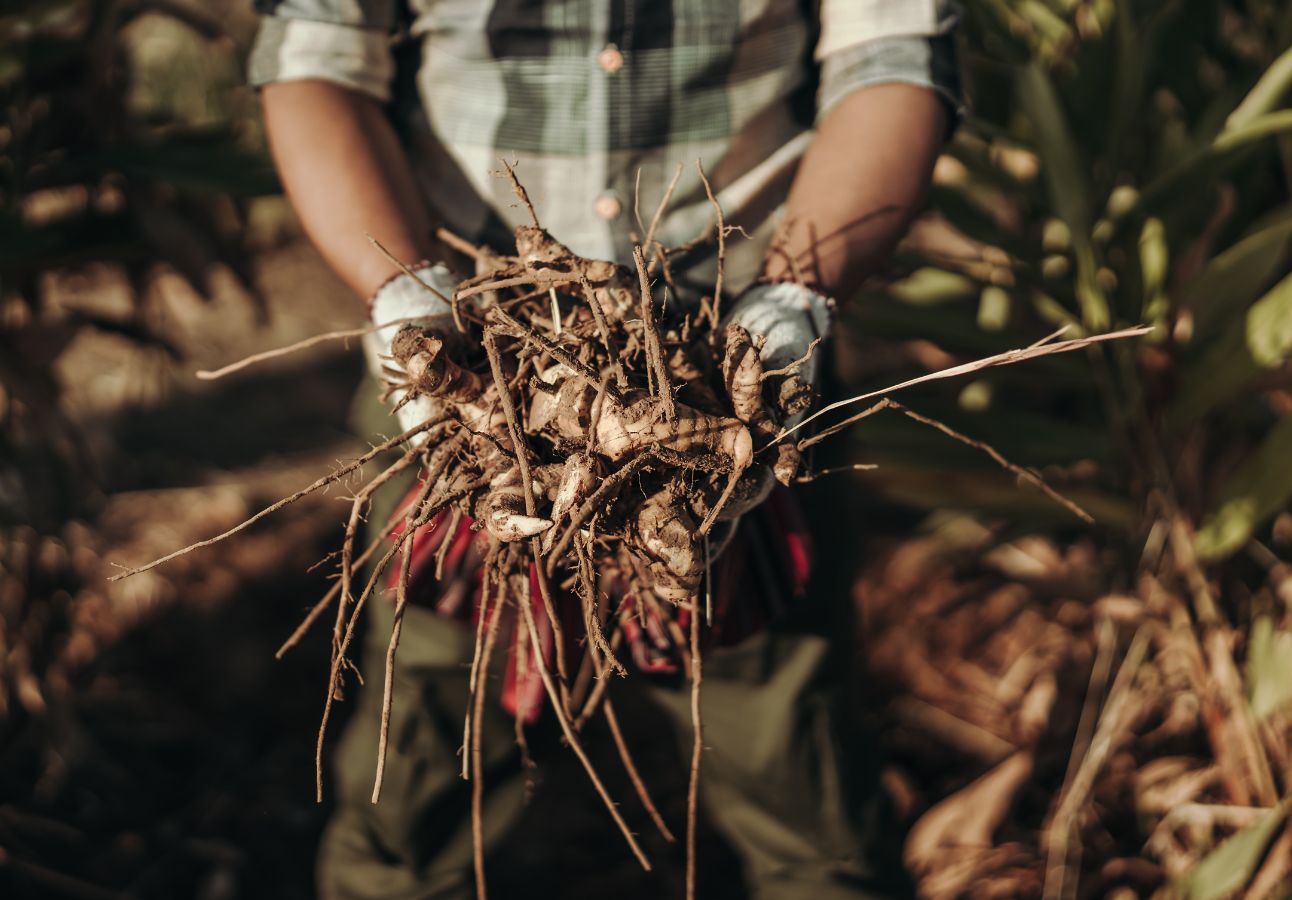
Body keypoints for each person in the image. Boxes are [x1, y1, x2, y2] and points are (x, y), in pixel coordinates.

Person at [248, 1, 961, 897]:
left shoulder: (753, 369)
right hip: (467, 386)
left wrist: (794, 302)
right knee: (418, 780)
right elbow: (319, 64)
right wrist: (406, 293)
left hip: (744, 366)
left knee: (808, 802)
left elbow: (890, 58)